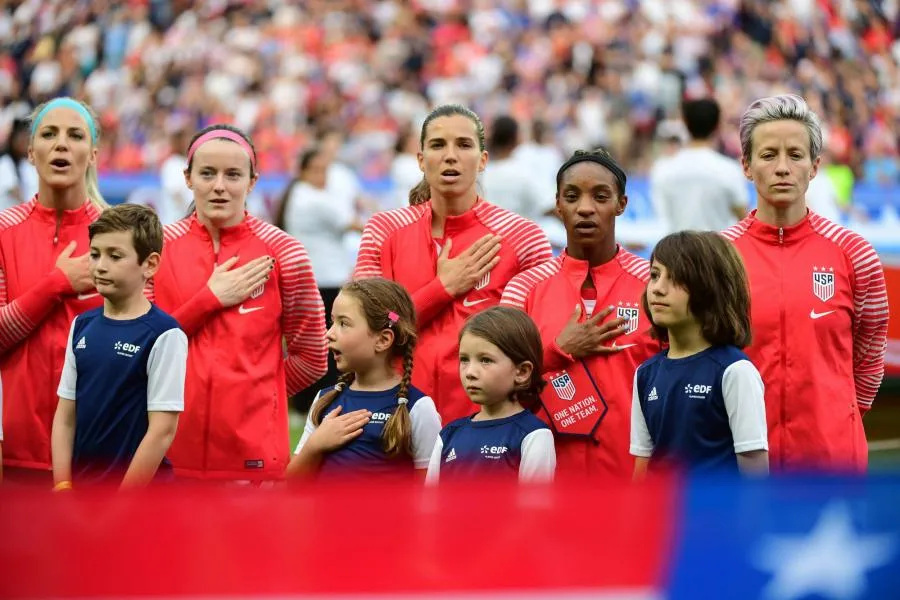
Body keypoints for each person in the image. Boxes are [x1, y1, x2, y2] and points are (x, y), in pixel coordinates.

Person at [147, 124, 328, 482]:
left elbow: (312, 356)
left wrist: (256, 394)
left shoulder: (285, 252)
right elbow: (137, 346)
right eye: (207, 173)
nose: (219, 186)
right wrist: (209, 300)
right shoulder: (156, 248)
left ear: (252, 181)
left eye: (233, 174)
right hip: (164, 455)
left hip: (254, 458)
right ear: (187, 178)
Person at [354, 104, 553, 425]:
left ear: (483, 159)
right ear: (420, 160)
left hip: (487, 430)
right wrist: (441, 289)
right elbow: (367, 332)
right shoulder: (383, 230)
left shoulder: (523, 237)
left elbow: (537, 342)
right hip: (391, 423)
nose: (450, 155)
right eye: (437, 145)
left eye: (463, 145)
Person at [723, 94, 889, 472]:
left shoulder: (854, 253)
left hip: (831, 466)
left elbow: (869, 354)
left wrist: (836, 420)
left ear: (814, 167)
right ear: (746, 166)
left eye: (795, 155)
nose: (783, 167)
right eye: (768, 155)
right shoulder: (717, 255)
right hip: (738, 470)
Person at [501, 149, 659, 481]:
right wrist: (559, 350)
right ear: (558, 205)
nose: (585, 208)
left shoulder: (653, 284)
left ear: (622, 204)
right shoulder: (524, 288)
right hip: (545, 486)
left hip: (634, 485)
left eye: (600, 196)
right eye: (572, 196)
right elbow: (495, 378)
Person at [0, 97, 107, 485]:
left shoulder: (122, 236)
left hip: (100, 454)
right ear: (30, 152)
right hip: (15, 453)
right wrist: (57, 283)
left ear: (92, 153)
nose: (61, 144)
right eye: (49, 134)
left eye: (75, 135)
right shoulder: (3, 231)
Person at [52, 204, 186, 489]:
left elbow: (162, 431)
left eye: (115, 256)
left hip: (136, 502)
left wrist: (120, 505)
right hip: (82, 496)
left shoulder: (165, 334)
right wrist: (63, 486)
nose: (100, 266)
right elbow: (65, 416)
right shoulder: (81, 325)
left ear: (149, 264)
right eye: (95, 254)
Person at [630, 231, 769, 476]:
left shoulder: (735, 371)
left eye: (676, 278)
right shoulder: (645, 374)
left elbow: (755, 478)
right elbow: (642, 470)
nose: (658, 289)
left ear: (710, 288)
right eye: (654, 275)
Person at [287, 278, 441, 479]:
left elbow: (430, 495)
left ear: (383, 340)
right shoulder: (324, 400)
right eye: (332, 321)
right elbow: (290, 486)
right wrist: (315, 445)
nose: (329, 333)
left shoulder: (417, 407)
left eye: (344, 323)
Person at [274, 146, 362, 413]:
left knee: (309, 345)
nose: (322, 177)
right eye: (316, 170)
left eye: (325, 171)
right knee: (330, 345)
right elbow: (354, 223)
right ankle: (324, 400)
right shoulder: (313, 199)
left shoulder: (296, 196)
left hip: (310, 279)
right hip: (326, 280)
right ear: (302, 172)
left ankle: (303, 405)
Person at [425, 307, 556, 484]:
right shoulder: (448, 434)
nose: (470, 372)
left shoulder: (533, 435)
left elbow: (533, 509)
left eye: (486, 360)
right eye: (464, 359)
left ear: (522, 372)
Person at [650, 98, 748, 233]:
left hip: (675, 251)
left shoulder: (663, 169)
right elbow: (743, 220)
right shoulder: (729, 170)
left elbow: (663, 214)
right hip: (718, 250)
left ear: (685, 123)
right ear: (718, 125)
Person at [482, 115, 554, 222]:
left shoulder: (480, 174)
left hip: (487, 236)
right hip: (522, 236)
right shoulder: (524, 172)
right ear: (516, 137)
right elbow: (549, 206)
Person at [0, 118, 38, 211]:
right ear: (12, 140)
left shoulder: (28, 164)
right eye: (20, 138)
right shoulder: (6, 162)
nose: (23, 142)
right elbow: (15, 192)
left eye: (26, 138)